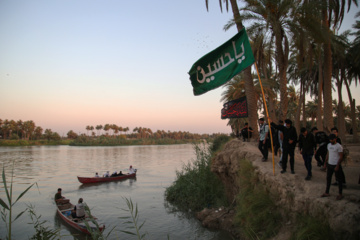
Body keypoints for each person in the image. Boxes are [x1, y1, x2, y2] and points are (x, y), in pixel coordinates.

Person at [321, 134, 345, 200]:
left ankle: (340, 194)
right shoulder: (328, 145)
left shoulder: (339, 146)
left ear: (335, 139)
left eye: (332, 139)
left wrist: (337, 165)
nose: (331, 140)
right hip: (330, 164)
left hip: (336, 165)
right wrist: (325, 163)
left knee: (339, 180)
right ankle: (327, 192)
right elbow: (328, 154)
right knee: (328, 179)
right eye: (330, 139)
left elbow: (341, 157)